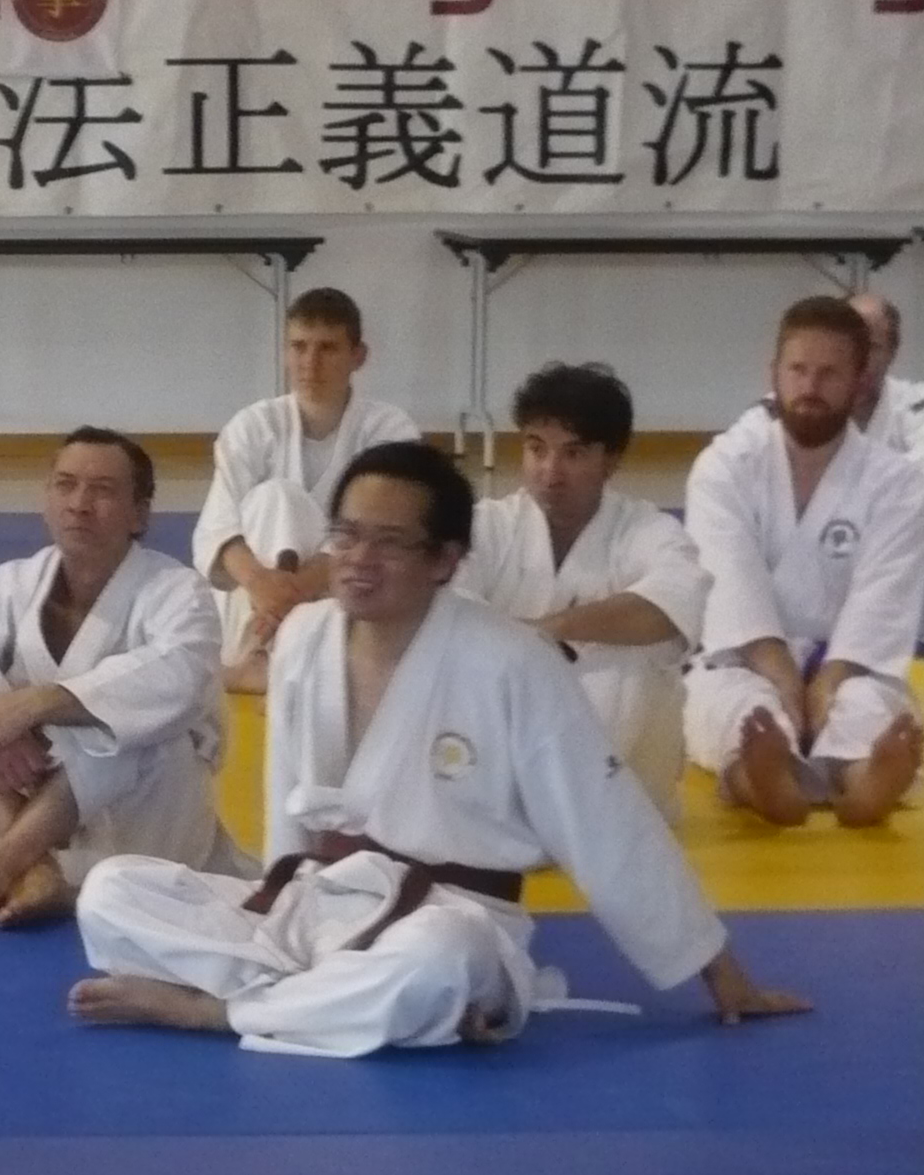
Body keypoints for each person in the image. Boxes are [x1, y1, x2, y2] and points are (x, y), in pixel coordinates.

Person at [67, 442, 807, 1058]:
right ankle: (318, 998)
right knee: (112, 891)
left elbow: (606, 821)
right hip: (319, 907)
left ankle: (220, 1010)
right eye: (346, 535)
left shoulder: (512, 661)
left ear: (445, 559)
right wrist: (276, 909)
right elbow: (288, 810)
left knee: (438, 961)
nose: (358, 559)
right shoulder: (304, 639)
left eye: (390, 542)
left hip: (453, 914)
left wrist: (718, 970)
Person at [0, 427, 246, 931]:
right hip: (33, 814)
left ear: (139, 514)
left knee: (129, 723)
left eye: (102, 490)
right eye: (65, 485)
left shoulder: (177, 591)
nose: (79, 504)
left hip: (144, 837)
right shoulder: (10, 585)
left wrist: (35, 705)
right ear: (47, 499)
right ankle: (35, 868)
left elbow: (181, 677)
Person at [681, 297, 924, 827]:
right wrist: (787, 684)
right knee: (741, 712)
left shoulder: (895, 481)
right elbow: (730, 585)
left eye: (829, 373)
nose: (810, 387)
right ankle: (762, 783)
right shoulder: (725, 466)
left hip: (849, 663)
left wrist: (828, 683)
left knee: (867, 708)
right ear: (773, 372)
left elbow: (881, 598)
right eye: (798, 370)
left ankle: (865, 782)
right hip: (747, 661)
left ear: (860, 380)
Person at [450, 363, 707, 821]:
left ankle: (576, 814)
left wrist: (548, 631)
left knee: (628, 660)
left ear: (611, 460)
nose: (550, 472)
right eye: (536, 449)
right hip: (505, 764)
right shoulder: (486, 526)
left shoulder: (648, 530)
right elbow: (450, 615)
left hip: (627, 790)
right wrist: (533, 650)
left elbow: (670, 606)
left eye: (573, 453)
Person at [189, 287, 421, 691]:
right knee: (274, 498)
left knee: (299, 505)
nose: (310, 363)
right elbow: (218, 528)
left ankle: (269, 656)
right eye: (298, 347)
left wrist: (293, 589)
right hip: (256, 601)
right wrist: (262, 583)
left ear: (358, 356)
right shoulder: (252, 426)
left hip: (343, 594)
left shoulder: (390, 430)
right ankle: (260, 656)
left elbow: (389, 533)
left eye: (327, 348)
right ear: (285, 352)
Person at [844, 292, 923, 467]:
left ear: (891, 352)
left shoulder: (915, 403)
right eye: (848, 345)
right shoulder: (805, 405)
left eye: (871, 347)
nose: (858, 359)